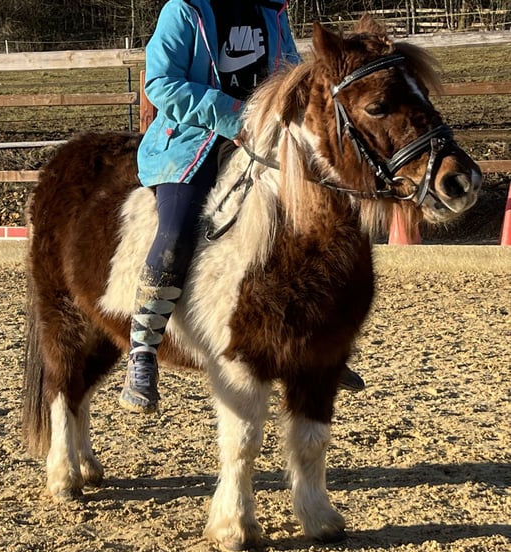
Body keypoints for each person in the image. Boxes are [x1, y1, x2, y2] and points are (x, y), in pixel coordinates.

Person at [119, 0, 365, 415]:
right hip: (190, 144)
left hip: (262, 141)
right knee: (176, 232)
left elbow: (289, 78)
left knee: (315, 220)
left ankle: (316, 342)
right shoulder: (184, 11)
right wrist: (234, 115)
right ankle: (143, 349)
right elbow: (162, 83)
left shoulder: (271, 11)